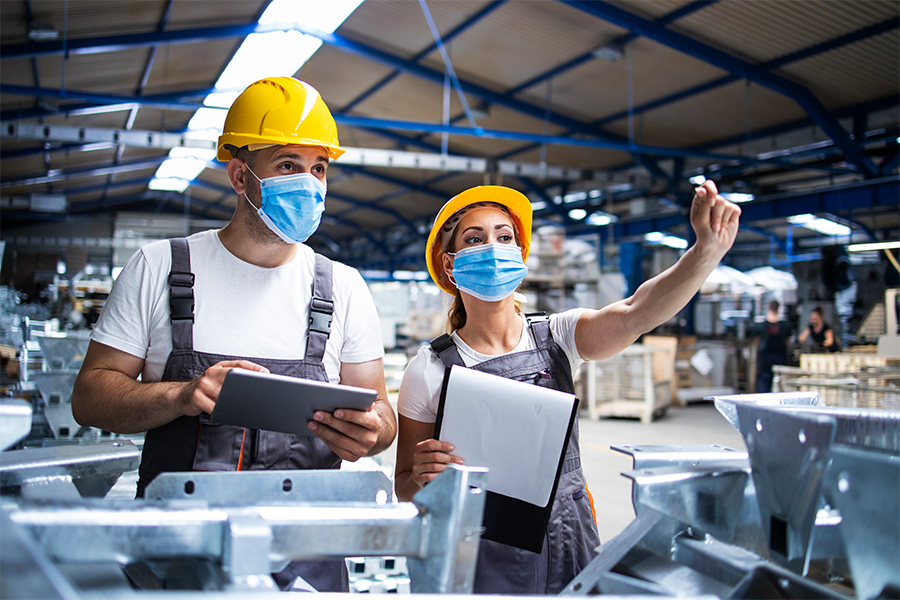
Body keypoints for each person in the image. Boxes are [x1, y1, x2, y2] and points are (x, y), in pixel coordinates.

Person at [72, 77, 397, 592]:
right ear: (240, 176)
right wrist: (182, 394)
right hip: (176, 561)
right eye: (288, 165)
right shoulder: (159, 268)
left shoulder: (343, 287)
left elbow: (381, 415)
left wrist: (371, 432)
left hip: (307, 565)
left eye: (319, 168)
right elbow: (90, 398)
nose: (309, 183)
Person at [394, 182, 741, 594]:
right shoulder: (430, 368)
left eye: (505, 237)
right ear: (450, 266)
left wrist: (704, 253)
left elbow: (635, 313)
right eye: (475, 238)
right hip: (479, 547)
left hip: (568, 534)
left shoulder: (558, 335)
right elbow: (404, 485)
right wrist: (422, 476)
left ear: (520, 256)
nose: (493, 248)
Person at [753, 300, 793, 393]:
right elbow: (788, 341)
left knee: (765, 381)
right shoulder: (785, 326)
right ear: (778, 309)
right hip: (778, 356)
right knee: (780, 379)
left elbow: (757, 340)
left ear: (768, 308)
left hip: (767, 356)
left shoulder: (760, 326)